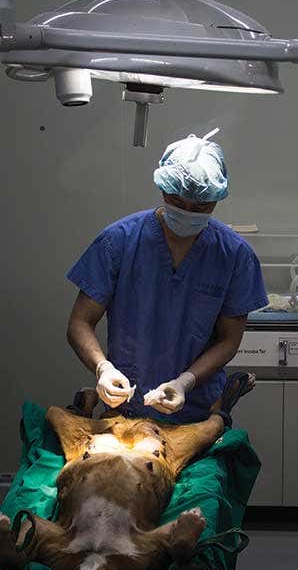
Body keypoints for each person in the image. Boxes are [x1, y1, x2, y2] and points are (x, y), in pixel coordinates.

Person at [66, 130, 267, 424]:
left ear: (217, 197)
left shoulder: (234, 255)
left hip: (198, 411)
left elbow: (229, 340)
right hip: (125, 409)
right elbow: (80, 323)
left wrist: (186, 381)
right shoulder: (119, 242)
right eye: (177, 201)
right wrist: (103, 369)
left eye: (200, 206)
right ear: (163, 187)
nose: (187, 212)